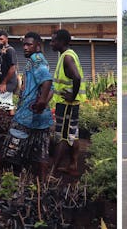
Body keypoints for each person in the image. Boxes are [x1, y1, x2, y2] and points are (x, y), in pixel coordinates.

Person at [0, 32, 53, 176]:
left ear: (38, 46)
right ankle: (42, 185)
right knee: (41, 152)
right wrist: (43, 104)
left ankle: (1, 177)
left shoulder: (37, 60)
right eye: (24, 44)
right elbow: (51, 90)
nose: (25, 47)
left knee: (10, 149)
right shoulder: (40, 60)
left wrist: (41, 102)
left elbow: (47, 81)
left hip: (26, 116)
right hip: (41, 118)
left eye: (29, 44)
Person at [50, 29, 86, 176]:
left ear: (62, 42)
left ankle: (52, 171)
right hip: (67, 105)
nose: (51, 43)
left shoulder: (67, 58)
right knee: (73, 135)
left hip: (67, 105)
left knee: (62, 137)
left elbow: (76, 77)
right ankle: (72, 165)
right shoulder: (68, 55)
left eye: (54, 41)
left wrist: (72, 95)